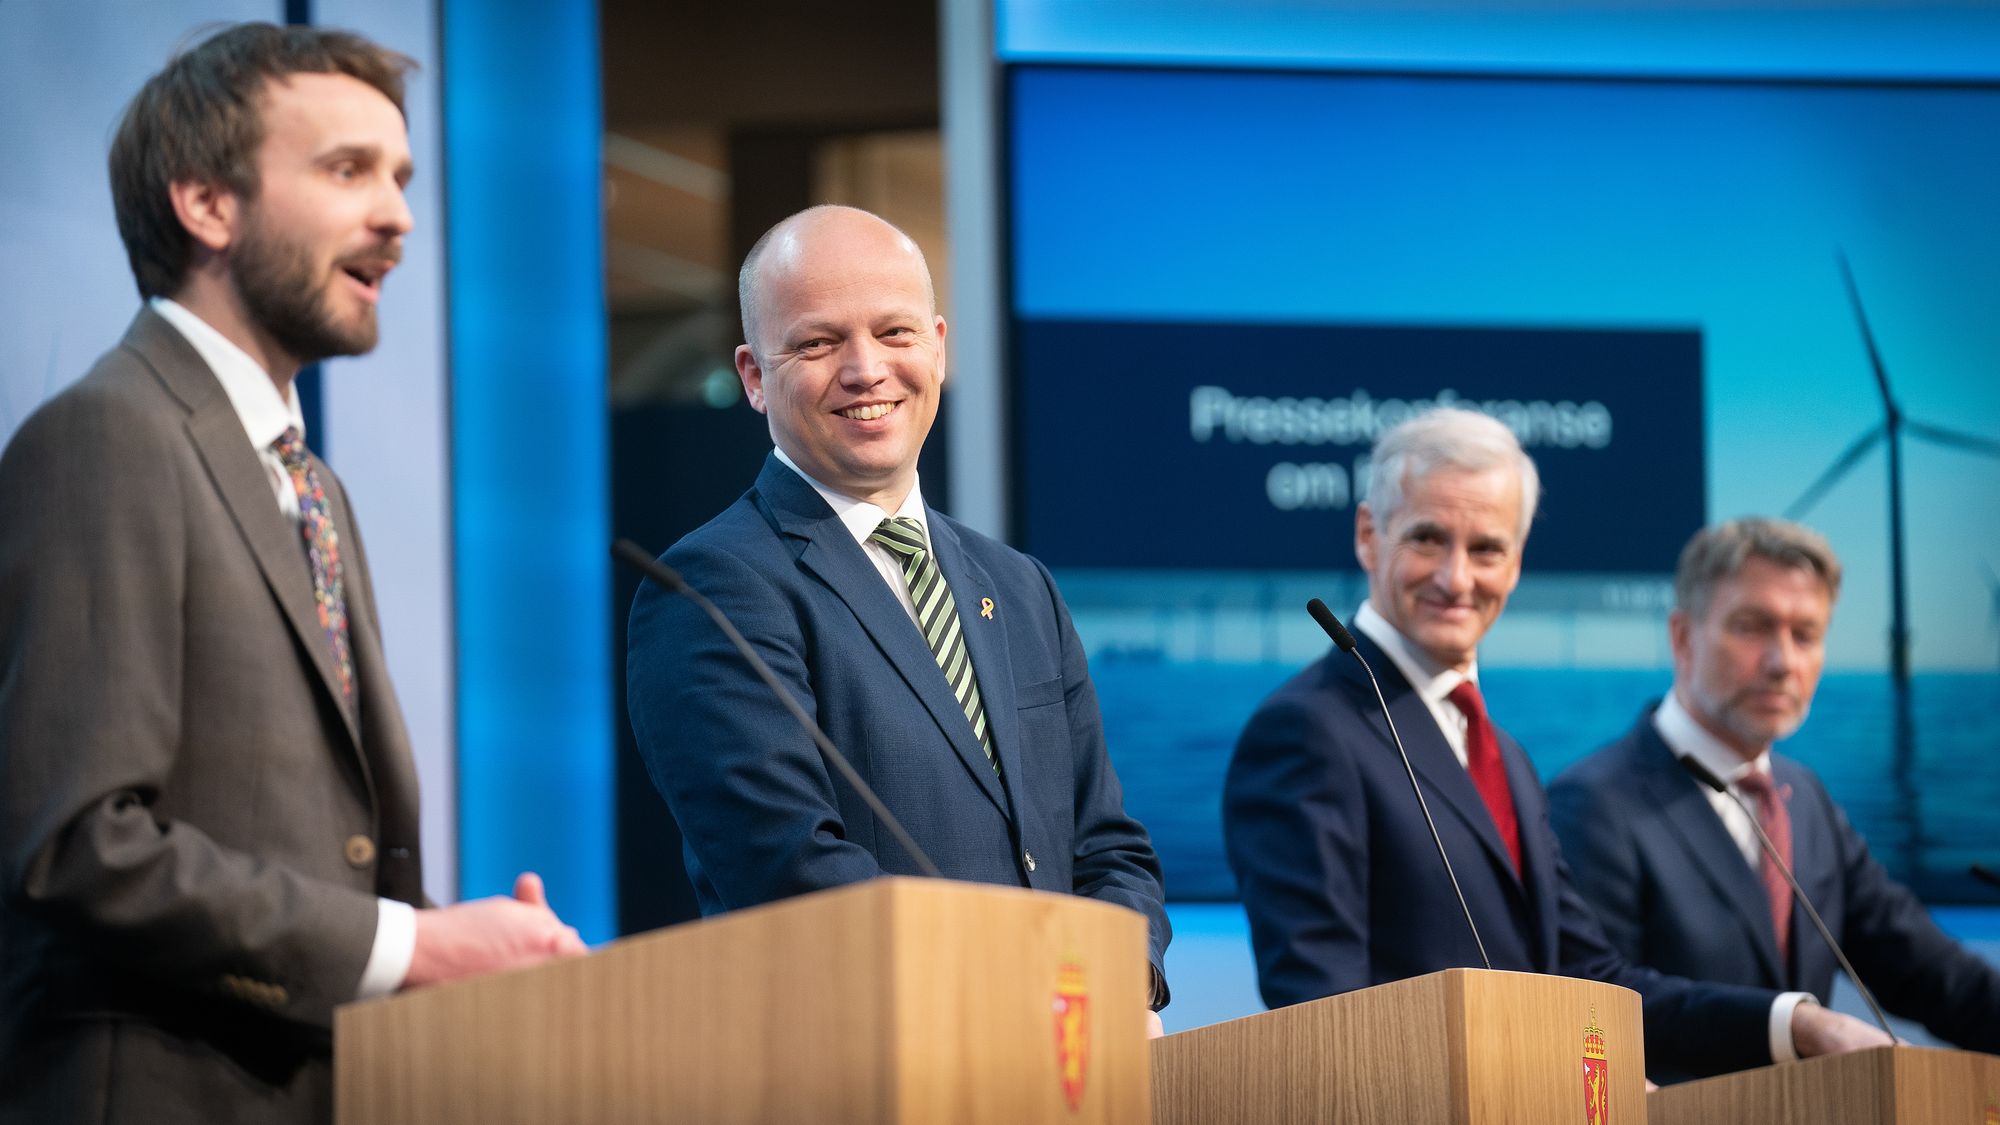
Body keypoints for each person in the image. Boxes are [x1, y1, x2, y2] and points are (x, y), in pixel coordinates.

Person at [0, 24, 585, 1124]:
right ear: (207, 206)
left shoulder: (311, 481)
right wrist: (411, 945)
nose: (399, 217)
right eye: (347, 170)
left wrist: (464, 950)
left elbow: (310, 857)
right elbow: (75, 847)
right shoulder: (105, 436)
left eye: (401, 177)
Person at [1222, 407, 1889, 1082]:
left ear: (1516, 562)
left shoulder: (1504, 755)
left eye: (1486, 548)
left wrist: (1797, 1023)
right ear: (1370, 534)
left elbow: (1588, 978)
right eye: (1428, 538)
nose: (1457, 578)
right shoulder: (1307, 730)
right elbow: (1322, 1014)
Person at [625, 205, 1170, 1017]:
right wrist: (1028, 994)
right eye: (817, 342)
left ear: (939, 347)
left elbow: (1108, 848)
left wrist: (1121, 981)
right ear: (751, 375)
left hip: (1069, 1071)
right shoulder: (713, 589)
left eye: (895, 332)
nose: (865, 369)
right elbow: (793, 875)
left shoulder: (1019, 585)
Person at [1549, 518, 2000, 1059]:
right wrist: (1795, 1026)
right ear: (1683, 637)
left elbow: (1928, 971)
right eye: (1752, 627)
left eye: (1805, 635)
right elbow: (1595, 1005)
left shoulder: (1802, 795)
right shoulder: (1592, 802)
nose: (1782, 662)